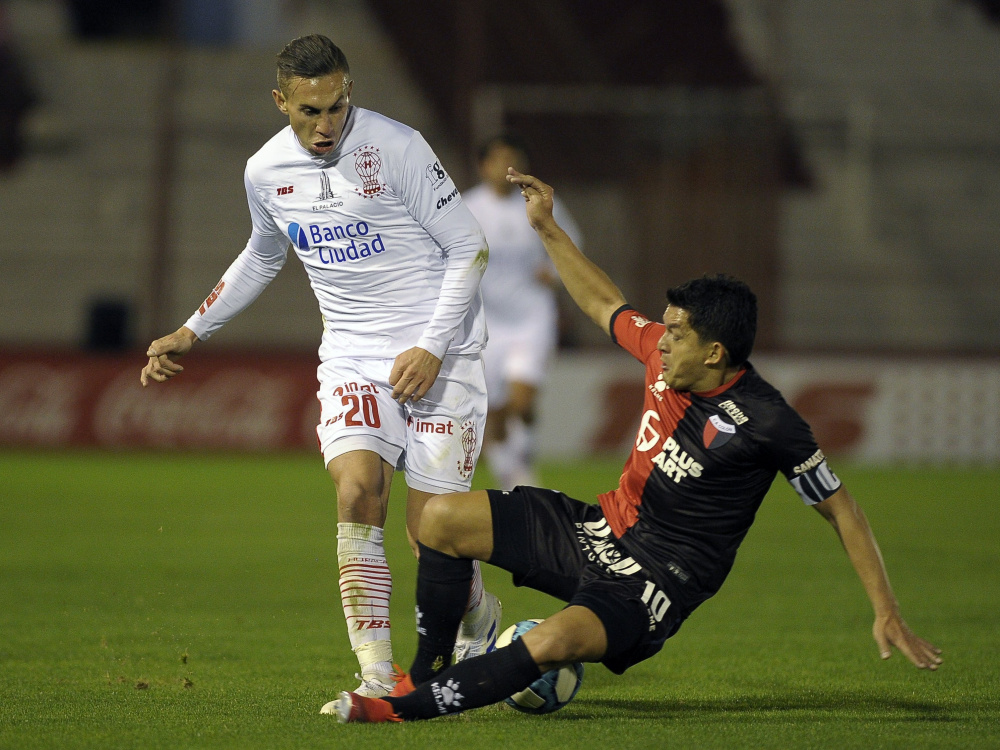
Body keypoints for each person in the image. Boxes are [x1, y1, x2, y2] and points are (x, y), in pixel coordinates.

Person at [331, 169, 942, 723]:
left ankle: (401, 711)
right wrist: (546, 228)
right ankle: (427, 671)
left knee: (549, 641)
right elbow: (604, 302)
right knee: (439, 519)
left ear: (714, 353)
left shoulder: (769, 422)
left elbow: (841, 508)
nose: (661, 339)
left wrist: (885, 608)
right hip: (598, 530)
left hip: (653, 584)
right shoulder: (662, 356)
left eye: (676, 333)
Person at [139, 34, 502, 705]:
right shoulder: (264, 170)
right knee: (357, 490)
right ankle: (376, 676)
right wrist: (193, 328)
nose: (327, 124)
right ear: (281, 102)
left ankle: (479, 619)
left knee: (432, 538)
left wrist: (430, 346)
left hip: (441, 356)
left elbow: (469, 248)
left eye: (336, 106)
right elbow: (262, 254)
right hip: (353, 360)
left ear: (349, 91)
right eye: (310, 111)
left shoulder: (397, 147)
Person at [463, 134, 583, 489]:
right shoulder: (467, 208)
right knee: (495, 409)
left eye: (512, 160)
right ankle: (511, 475)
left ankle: (522, 462)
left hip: (532, 317)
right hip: (486, 323)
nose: (505, 167)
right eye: (498, 159)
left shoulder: (539, 201)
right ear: (483, 166)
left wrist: (555, 273)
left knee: (522, 400)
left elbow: (572, 244)